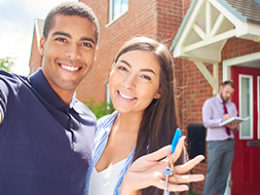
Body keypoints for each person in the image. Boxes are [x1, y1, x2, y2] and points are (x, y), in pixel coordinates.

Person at [0, 2, 99, 195]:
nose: (73, 53)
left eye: (85, 44)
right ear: (42, 45)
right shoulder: (10, 92)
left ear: (95, 54)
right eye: (62, 39)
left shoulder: (91, 122)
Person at [86, 37, 205, 195]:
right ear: (111, 70)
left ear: (159, 90)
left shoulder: (165, 151)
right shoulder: (93, 130)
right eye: (123, 68)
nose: (128, 83)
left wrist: (129, 190)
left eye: (145, 77)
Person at [202, 80, 239, 195]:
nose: (228, 95)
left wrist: (234, 126)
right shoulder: (210, 103)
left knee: (224, 174)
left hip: (230, 143)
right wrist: (221, 121)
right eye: (227, 92)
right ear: (221, 88)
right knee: (212, 173)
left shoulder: (232, 106)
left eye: (230, 93)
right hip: (216, 143)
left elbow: (236, 125)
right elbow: (206, 122)